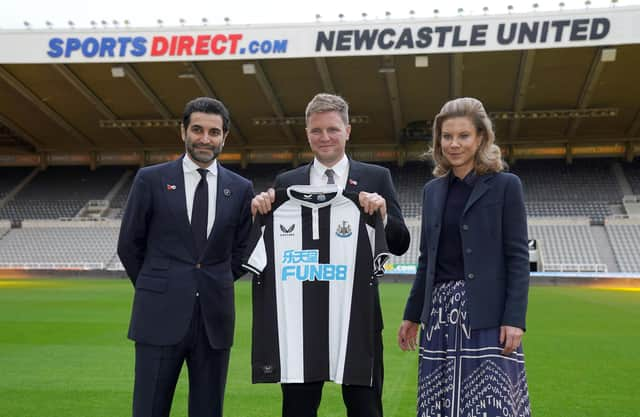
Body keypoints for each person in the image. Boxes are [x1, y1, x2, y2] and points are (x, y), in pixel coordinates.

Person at [251, 93, 410, 417]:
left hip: (357, 317)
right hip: (300, 321)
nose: (324, 137)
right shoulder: (287, 182)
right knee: (298, 409)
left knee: (365, 408)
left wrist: (382, 215)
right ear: (307, 133)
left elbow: (400, 243)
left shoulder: (376, 177)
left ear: (348, 130)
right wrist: (258, 211)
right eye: (316, 130)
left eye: (332, 129)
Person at [118, 97, 254, 417]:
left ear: (225, 137)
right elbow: (129, 244)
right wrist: (159, 285)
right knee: (149, 408)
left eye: (213, 132)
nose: (205, 138)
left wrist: (215, 279)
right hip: (158, 315)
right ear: (183, 132)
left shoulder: (241, 188)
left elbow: (243, 249)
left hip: (214, 319)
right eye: (197, 129)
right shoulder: (150, 180)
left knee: (208, 410)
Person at [398, 97, 532, 417]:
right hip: (440, 314)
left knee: (489, 404)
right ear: (438, 140)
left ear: (482, 138)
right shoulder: (432, 191)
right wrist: (412, 314)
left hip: (486, 313)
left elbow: (517, 257)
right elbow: (426, 259)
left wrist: (514, 319)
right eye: (447, 137)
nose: (454, 144)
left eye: (463, 136)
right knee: (440, 404)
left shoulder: (506, 186)